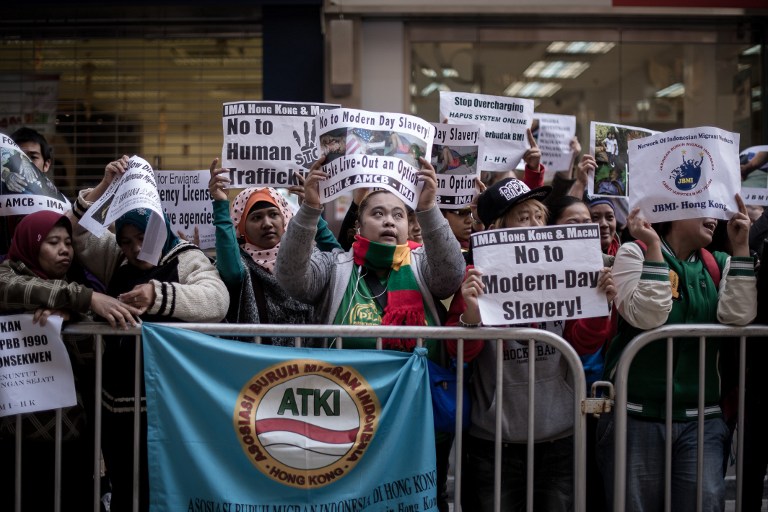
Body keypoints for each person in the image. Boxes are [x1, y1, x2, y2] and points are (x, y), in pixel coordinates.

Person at [276, 156, 465, 512]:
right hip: (346, 423)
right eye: (377, 213)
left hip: (418, 419)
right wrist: (310, 209)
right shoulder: (334, 267)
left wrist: (428, 208)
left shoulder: (423, 263)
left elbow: (451, 275)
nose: (389, 221)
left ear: (409, 225)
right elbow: (290, 276)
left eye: (398, 214)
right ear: (357, 226)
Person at [70, 155, 230, 512]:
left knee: (166, 487)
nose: (134, 248)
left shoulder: (186, 258)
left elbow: (217, 300)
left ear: (159, 228)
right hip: (118, 404)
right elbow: (78, 234)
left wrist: (158, 295)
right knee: (127, 488)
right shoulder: (118, 259)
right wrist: (103, 189)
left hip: (168, 404)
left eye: (142, 237)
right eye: (125, 240)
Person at [596, 197, 757, 512]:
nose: (713, 216)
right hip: (635, 417)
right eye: (703, 208)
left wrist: (741, 249)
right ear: (672, 211)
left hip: (702, 420)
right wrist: (653, 247)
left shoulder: (719, 262)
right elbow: (647, 316)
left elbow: (739, 316)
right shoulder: (633, 252)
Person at [0, 210, 141, 511]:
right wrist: (84, 299)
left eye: (68, 242)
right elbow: (14, 290)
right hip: (13, 434)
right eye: (52, 242)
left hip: (69, 432)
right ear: (30, 244)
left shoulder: (74, 281)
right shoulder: (7, 274)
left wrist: (72, 317)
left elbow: (94, 355)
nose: (65, 249)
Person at [446, 178, 570, 512]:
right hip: (495, 442)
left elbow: (585, 344)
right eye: (523, 217)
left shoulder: (564, 272)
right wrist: (471, 314)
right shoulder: (474, 277)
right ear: (499, 228)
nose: (534, 226)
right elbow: (458, 354)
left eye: (539, 217)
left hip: (558, 436)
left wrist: (601, 300)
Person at [208, 158, 339, 345]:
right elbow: (230, 270)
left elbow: (337, 260)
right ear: (242, 227)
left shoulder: (308, 258)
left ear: (285, 218)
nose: (267, 224)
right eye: (256, 217)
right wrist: (221, 205)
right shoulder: (242, 266)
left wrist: (312, 210)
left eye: (273, 214)